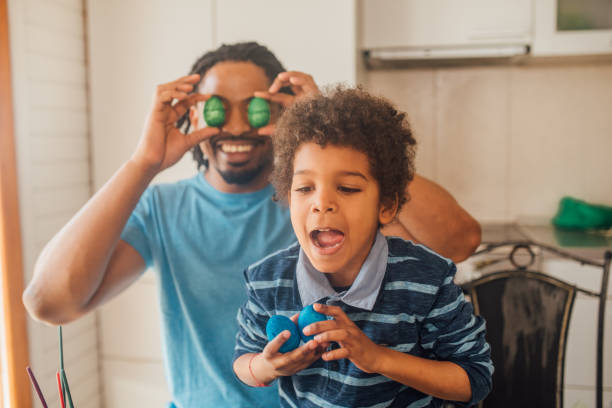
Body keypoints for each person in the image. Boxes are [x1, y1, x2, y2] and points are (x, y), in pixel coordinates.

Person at [22, 42, 481, 407]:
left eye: (255, 108)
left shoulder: (320, 204)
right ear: (194, 112)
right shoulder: (163, 208)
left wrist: (337, 134)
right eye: (219, 108)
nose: (238, 127)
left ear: (283, 114)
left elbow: (459, 241)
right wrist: (144, 161)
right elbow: (49, 303)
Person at [233, 86, 493, 407]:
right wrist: (266, 367)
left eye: (347, 187)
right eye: (304, 188)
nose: (322, 203)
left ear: (385, 206)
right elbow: (243, 361)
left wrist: (378, 358)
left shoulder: (426, 279)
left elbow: (475, 379)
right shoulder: (267, 280)